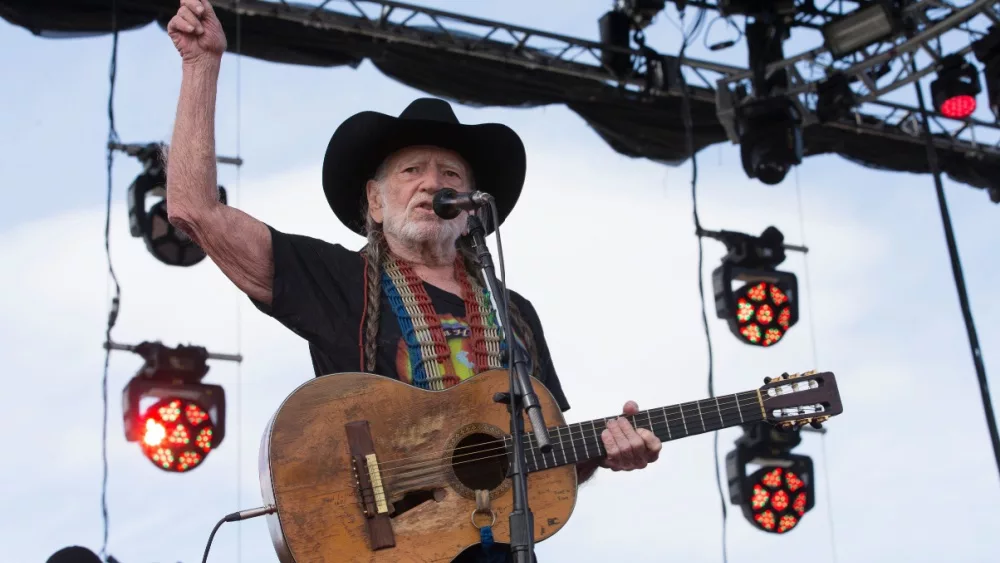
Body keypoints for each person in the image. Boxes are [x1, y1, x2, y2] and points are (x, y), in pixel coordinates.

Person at [165, 1, 662, 560]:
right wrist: (200, 67)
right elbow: (195, 211)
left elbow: (546, 457)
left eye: (450, 174)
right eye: (411, 171)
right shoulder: (338, 279)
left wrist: (608, 449)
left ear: (472, 209)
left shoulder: (512, 309)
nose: (432, 184)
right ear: (374, 202)